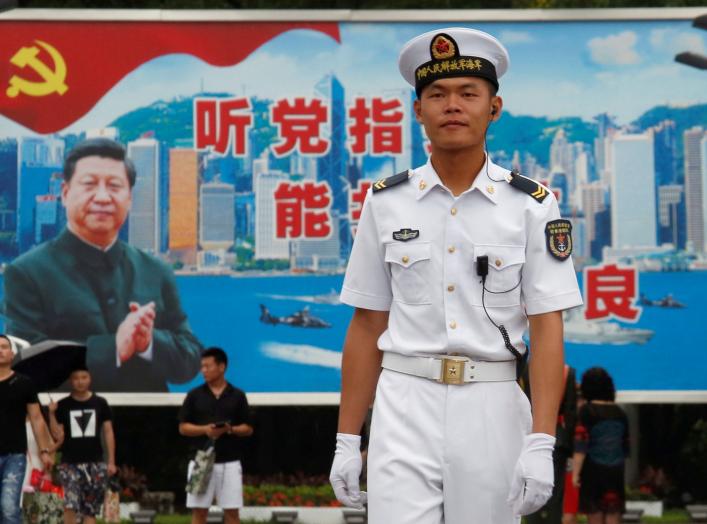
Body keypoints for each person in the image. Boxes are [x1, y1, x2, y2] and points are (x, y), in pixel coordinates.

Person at [329, 27, 583, 524]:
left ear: (494, 107)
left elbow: (548, 325)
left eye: (469, 93)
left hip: (492, 403)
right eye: (437, 95)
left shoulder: (531, 205)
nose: (453, 105)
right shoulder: (385, 201)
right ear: (417, 110)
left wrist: (542, 439)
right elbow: (366, 322)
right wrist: (346, 437)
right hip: (404, 400)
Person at [3, 137, 204, 392]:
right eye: (89, 185)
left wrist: (148, 343)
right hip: (67, 426)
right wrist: (115, 348)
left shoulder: (155, 270)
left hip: (151, 426)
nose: (102, 197)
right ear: (65, 194)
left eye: (114, 186)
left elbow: (191, 359)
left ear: (129, 198)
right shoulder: (27, 272)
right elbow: (25, 363)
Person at [179, 348, 254, 524]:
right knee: (199, 513)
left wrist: (229, 429)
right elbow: (183, 427)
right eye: (202, 367)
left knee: (232, 512)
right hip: (200, 461)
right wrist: (205, 430)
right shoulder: (194, 395)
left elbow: (248, 428)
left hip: (229, 461)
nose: (203, 370)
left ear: (221, 367)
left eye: (207, 366)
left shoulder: (237, 395)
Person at [47, 366, 116, 524]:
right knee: (70, 504)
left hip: (95, 462)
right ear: (71, 381)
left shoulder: (100, 402)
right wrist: (51, 413)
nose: (80, 382)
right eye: (76, 378)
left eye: (84, 377)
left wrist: (111, 461)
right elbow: (56, 435)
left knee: (90, 508)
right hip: (69, 462)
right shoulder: (63, 405)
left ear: (89, 379)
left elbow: (108, 432)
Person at [0, 334, 55, 524]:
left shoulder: (24, 383)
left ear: (12, 353)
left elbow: (37, 418)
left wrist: (45, 450)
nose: (0, 350)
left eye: (4, 347)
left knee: (8, 507)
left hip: (14, 455)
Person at [572, 367, 629, 524]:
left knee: (594, 512)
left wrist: (576, 473)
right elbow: (625, 447)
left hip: (593, 470)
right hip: (616, 469)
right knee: (613, 511)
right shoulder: (620, 412)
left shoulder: (586, 411)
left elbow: (580, 445)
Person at [524, 365, 578, 524]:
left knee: (529, 486)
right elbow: (570, 411)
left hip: (530, 434)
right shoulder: (567, 372)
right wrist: (570, 444)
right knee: (555, 491)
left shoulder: (526, 369)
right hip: (557, 438)